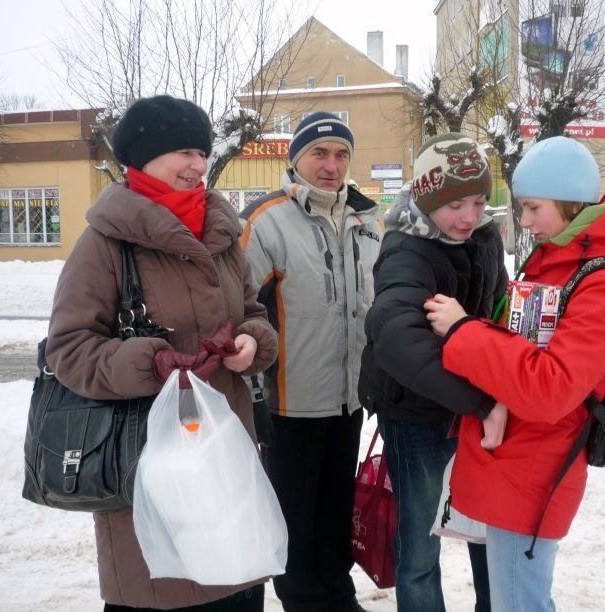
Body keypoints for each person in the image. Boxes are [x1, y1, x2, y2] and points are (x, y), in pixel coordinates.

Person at [44, 95, 279, 611]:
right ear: (144, 156)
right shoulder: (105, 243)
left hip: (226, 453)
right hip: (148, 462)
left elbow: (253, 314)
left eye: (203, 152)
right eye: (185, 152)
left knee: (234, 586)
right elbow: (68, 348)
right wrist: (148, 362)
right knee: (162, 590)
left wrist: (252, 344)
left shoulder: (222, 234)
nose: (199, 165)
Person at [424, 136, 605, 611]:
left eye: (533, 207)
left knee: (519, 603)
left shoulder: (604, 282)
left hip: (536, 467)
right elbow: (521, 345)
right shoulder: (557, 262)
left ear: (569, 202)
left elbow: (550, 389)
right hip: (517, 459)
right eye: (522, 208)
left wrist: (462, 332)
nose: (524, 221)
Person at [238, 112, 381, 612]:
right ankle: (302, 601)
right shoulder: (265, 221)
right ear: (295, 158)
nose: (331, 164)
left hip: (347, 398)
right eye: (320, 153)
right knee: (295, 517)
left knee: (336, 508)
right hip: (288, 402)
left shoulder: (367, 220)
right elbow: (239, 308)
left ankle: (338, 596)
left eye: (341, 154)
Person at [358, 132, 506, 612]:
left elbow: (499, 306)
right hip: (418, 415)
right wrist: (482, 400)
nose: (469, 216)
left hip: (475, 410)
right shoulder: (407, 251)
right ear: (425, 198)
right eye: (455, 203)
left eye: (480, 201)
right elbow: (397, 339)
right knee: (420, 546)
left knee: (489, 533)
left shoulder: (483, 239)